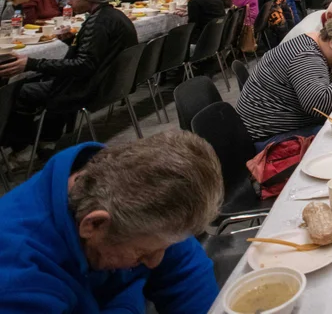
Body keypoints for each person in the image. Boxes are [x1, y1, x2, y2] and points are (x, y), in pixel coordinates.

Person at [0, 131, 222, 313]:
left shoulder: (135, 195)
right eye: (142, 254)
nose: (155, 262)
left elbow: (185, 270)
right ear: (94, 225)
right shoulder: (17, 280)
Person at [0, 0, 137, 150]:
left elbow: (83, 65)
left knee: (21, 90)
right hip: (113, 83)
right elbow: (95, 54)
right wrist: (72, 41)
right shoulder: (114, 15)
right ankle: (46, 136)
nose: (69, 2)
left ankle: (24, 145)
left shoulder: (98, 23)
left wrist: (31, 63)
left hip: (91, 88)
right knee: (47, 76)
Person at [237, 15, 332, 145]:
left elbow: (313, 85)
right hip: (270, 137)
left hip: (272, 128)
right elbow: (317, 103)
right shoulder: (306, 55)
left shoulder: (310, 43)